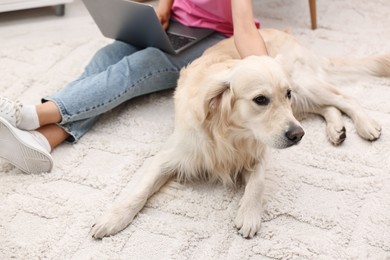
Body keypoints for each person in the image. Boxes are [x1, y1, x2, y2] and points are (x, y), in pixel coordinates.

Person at [0, 0, 268, 174]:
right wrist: (163, 10)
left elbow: (244, 28)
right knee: (105, 57)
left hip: (216, 38)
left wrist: (266, 69)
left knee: (139, 66)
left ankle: (29, 116)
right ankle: (43, 140)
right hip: (176, 25)